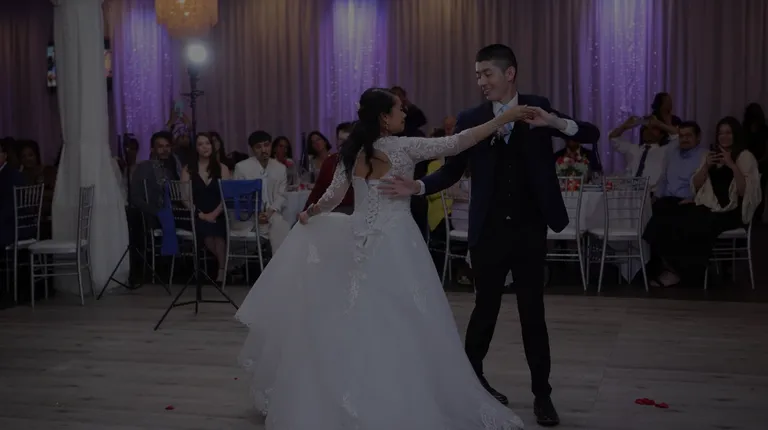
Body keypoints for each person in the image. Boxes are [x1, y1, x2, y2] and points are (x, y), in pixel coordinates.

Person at [235, 87, 534, 429]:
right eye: (399, 109)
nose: (405, 114)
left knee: (357, 316)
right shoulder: (402, 147)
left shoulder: (352, 151)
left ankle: (348, 393)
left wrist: (311, 212)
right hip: (395, 241)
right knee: (404, 317)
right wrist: (502, 119)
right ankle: (396, 395)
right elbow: (457, 142)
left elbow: (333, 196)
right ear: (384, 117)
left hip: (358, 239)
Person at [379, 44, 601, 426]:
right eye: (478, 75)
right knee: (485, 309)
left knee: (533, 313)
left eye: (487, 74)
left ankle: (542, 395)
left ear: (509, 73)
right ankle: (473, 382)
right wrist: (417, 186)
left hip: (530, 228)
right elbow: (451, 171)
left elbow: (591, 134)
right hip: (488, 229)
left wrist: (554, 123)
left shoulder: (537, 107)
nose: (481, 81)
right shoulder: (472, 118)